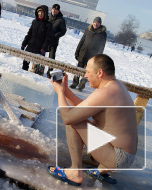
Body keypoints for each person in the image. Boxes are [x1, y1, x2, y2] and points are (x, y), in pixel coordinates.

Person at [48, 54, 137, 186]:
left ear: (99, 73)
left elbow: (68, 118)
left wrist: (60, 93)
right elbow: (84, 108)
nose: (85, 76)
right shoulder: (116, 87)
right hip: (125, 155)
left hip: (117, 157)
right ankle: (100, 170)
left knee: (74, 121)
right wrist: (66, 90)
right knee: (78, 117)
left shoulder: (105, 93)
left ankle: (75, 173)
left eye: (88, 72)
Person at [70, 17, 107, 91]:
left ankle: (81, 85)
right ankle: (75, 83)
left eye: (98, 22)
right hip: (83, 53)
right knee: (78, 69)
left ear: (100, 24)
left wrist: (98, 57)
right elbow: (82, 41)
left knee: (88, 72)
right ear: (93, 22)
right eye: (95, 22)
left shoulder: (102, 34)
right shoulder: (88, 30)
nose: (96, 24)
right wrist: (77, 51)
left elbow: (102, 47)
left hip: (92, 56)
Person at [21, 5, 52, 75]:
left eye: (42, 12)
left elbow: (48, 38)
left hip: (39, 49)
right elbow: (29, 34)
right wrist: (24, 44)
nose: (40, 14)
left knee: (36, 71)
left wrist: (43, 49)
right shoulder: (34, 22)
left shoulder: (48, 24)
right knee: (24, 66)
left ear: (45, 14)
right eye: (39, 12)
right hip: (30, 47)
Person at [46, 4, 67, 79]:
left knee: (51, 58)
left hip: (53, 42)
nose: (54, 11)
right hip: (45, 40)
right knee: (41, 55)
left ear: (58, 11)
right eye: (53, 9)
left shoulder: (61, 20)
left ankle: (49, 72)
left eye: (56, 10)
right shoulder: (48, 17)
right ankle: (38, 69)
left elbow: (63, 31)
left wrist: (56, 35)